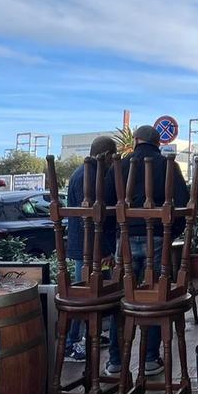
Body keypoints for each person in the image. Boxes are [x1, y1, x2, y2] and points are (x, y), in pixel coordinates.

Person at [125, 124, 190, 377]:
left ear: (135, 140)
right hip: (159, 242)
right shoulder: (169, 166)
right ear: (159, 143)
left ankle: (117, 361)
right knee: (155, 296)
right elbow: (185, 207)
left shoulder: (121, 166)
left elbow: (105, 208)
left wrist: (113, 240)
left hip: (125, 240)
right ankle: (151, 358)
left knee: (124, 295)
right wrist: (168, 234)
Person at [64, 136, 121, 374]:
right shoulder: (90, 175)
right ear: (107, 155)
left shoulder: (84, 171)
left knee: (86, 293)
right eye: (113, 156)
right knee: (83, 295)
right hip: (87, 247)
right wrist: (106, 249)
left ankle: (86, 337)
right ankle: (71, 344)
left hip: (85, 245)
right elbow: (93, 217)